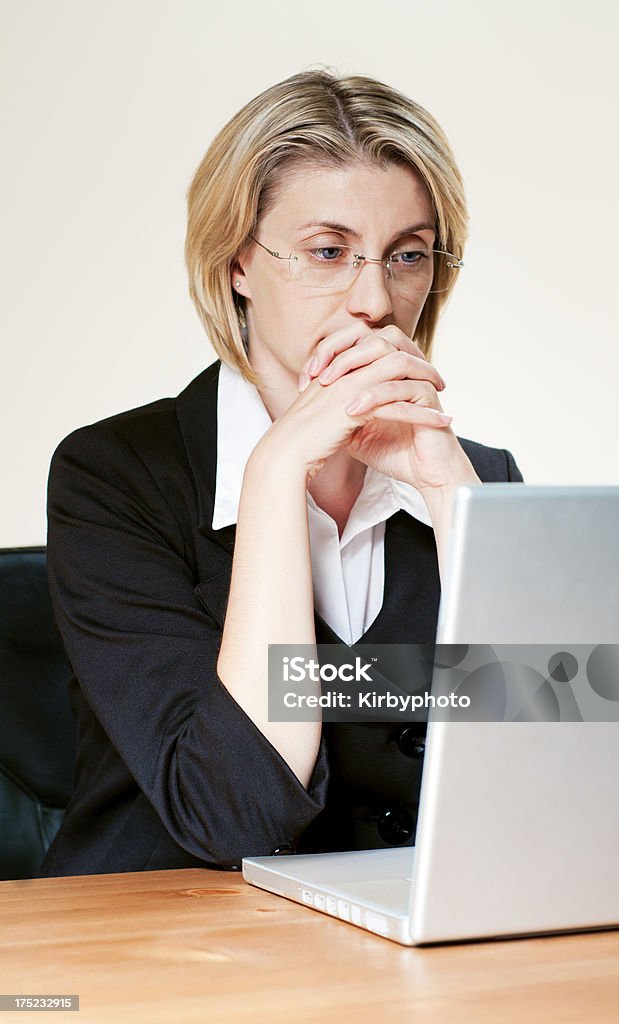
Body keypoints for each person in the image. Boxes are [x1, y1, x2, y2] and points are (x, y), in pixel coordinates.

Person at [40, 69, 523, 877]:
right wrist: (272, 475)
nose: (375, 300)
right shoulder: (114, 476)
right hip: (163, 948)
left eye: (407, 256)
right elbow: (233, 814)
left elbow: (558, 790)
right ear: (236, 264)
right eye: (328, 251)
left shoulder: (477, 481)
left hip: (398, 953)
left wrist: (451, 497)